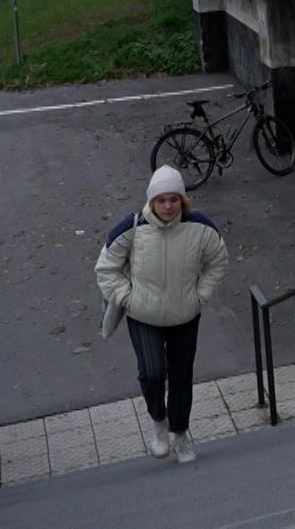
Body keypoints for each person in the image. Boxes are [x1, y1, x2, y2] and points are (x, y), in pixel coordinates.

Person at [95, 165, 229, 464]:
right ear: (151, 201)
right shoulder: (131, 229)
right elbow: (105, 269)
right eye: (161, 200)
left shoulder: (201, 227)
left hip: (185, 315)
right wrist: (126, 298)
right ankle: (159, 421)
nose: (168, 206)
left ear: (182, 200)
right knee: (153, 372)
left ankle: (180, 434)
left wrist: (201, 295)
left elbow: (218, 261)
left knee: (181, 377)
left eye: (174, 199)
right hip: (144, 315)